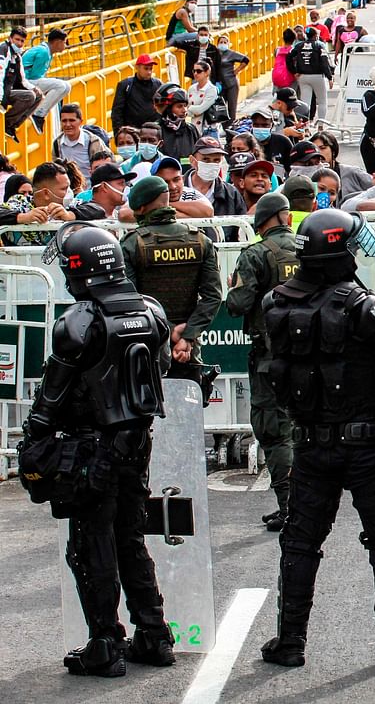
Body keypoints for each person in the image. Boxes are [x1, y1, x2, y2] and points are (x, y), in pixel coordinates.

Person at [259, 208, 375, 667]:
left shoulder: (275, 303)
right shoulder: (359, 304)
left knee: (300, 541)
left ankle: (290, 642)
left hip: (310, 442)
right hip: (368, 441)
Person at [21, 219, 176, 677]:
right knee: (130, 536)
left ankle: (105, 643)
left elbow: (52, 396)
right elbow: (157, 372)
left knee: (91, 544)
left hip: (90, 446)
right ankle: (153, 633)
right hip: (136, 441)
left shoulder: (80, 321)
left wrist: (33, 442)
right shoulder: (150, 310)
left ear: (78, 269)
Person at [225, 192, 298, 531]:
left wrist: (232, 288)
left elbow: (238, 304)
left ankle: (290, 508)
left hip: (272, 357)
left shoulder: (255, 254)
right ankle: (307, 506)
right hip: (314, 356)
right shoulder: (309, 248)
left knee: (275, 432)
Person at [120, 171, 221, 388]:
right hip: (188, 346)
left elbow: (130, 300)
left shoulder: (131, 243)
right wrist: (188, 336)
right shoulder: (200, 240)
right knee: (189, 410)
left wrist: (170, 330)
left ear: (139, 208)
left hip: (147, 343)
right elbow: (213, 297)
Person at [21, 27, 69, 134]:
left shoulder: (47, 51)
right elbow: (34, 76)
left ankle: (40, 113)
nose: (66, 46)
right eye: (64, 42)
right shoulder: (43, 52)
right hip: (24, 82)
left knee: (66, 86)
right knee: (60, 86)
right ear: (57, 42)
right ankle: (38, 114)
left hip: (29, 80)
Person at [0, 26, 42, 140]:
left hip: (7, 91)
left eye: (22, 41)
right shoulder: (3, 50)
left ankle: (12, 126)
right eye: (17, 39)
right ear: (10, 38)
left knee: (38, 95)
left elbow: (22, 79)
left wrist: (34, 88)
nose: (19, 43)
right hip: (2, 92)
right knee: (29, 96)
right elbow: (0, 75)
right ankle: (6, 123)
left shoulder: (17, 56)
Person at [310, 131, 374, 202]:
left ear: (333, 151)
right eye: (314, 150)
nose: (318, 153)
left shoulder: (352, 172)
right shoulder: (308, 175)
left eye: (323, 148)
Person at [53, 103, 108, 185]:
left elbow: (104, 170)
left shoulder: (93, 142)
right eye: (64, 121)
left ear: (81, 122)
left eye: (72, 120)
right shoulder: (57, 144)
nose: (68, 125)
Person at [287, 29, 334, 122]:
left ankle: (306, 126)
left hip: (303, 76)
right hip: (318, 76)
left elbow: (288, 57)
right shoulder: (320, 45)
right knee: (322, 101)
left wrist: (294, 71)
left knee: (305, 103)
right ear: (316, 35)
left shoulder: (298, 45)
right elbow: (324, 62)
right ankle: (321, 125)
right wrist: (329, 77)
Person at [111, 55, 163, 135]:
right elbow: (117, 112)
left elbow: (163, 108)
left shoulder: (158, 84)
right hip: (131, 133)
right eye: (146, 68)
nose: (149, 72)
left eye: (151, 69)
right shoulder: (125, 85)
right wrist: (118, 134)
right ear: (137, 67)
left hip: (153, 132)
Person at [158, 87, 200, 162]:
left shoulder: (191, 130)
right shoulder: (158, 130)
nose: (184, 110)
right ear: (168, 109)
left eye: (185, 106)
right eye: (179, 106)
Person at [185, 59, 219, 135]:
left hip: (208, 130)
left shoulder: (211, 89)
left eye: (199, 71)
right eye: (194, 71)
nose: (196, 74)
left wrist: (189, 109)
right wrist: (190, 110)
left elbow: (200, 110)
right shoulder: (192, 88)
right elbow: (186, 107)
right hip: (194, 128)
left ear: (207, 72)